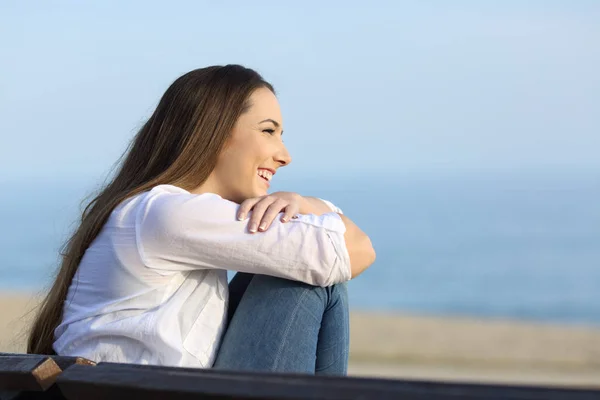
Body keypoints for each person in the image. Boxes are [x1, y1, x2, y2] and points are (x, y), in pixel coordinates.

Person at [27, 65, 376, 375]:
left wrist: (302, 203)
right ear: (215, 131)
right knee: (313, 278)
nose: (284, 155)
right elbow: (354, 251)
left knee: (291, 264)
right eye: (269, 131)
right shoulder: (168, 213)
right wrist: (311, 207)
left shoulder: (144, 212)